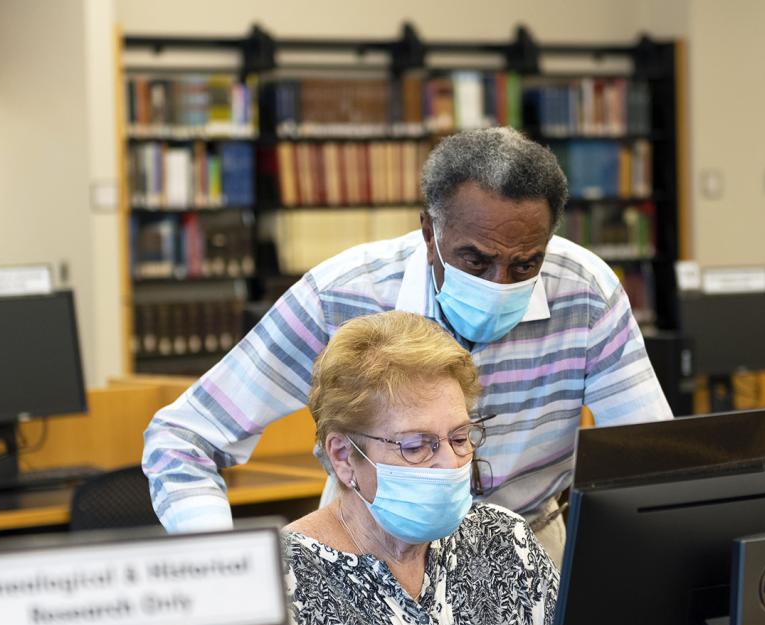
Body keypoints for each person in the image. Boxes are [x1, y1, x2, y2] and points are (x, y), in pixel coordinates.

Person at [143, 126, 672, 562]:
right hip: (365, 554)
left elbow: (655, 463)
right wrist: (218, 565)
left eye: (525, 264)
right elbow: (183, 437)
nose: (500, 283)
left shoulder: (586, 292)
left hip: (529, 553)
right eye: (475, 260)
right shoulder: (343, 295)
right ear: (428, 232)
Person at [282, 311, 557, 625]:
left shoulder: (503, 542)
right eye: (418, 446)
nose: (450, 463)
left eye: (459, 437)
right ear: (344, 456)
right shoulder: (286, 581)